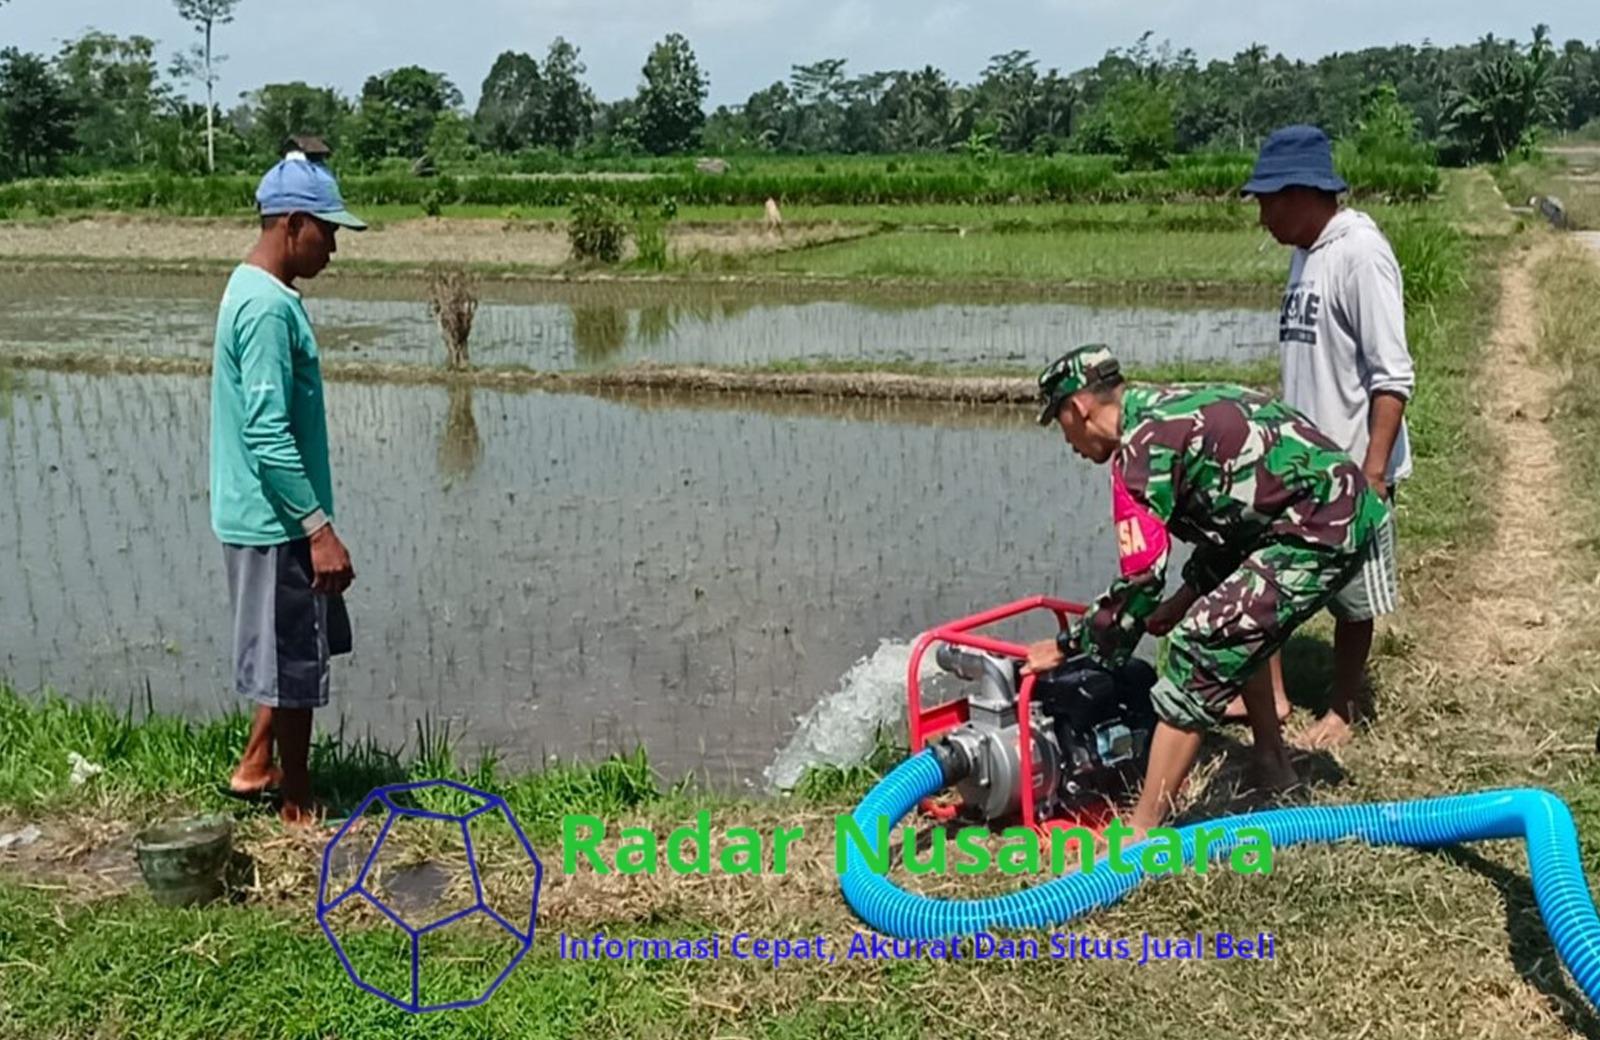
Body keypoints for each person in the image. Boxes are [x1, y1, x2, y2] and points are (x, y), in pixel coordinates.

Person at [1021, 345, 1386, 835]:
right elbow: (1232, 516)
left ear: (1077, 408)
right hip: (1327, 507)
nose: (1066, 439)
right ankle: (1274, 768)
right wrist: (1183, 598)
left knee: (1201, 642)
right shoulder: (1164, 409)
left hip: (1320, 525)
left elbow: (1140, 581)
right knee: (1230, 619)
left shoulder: (1139, 453)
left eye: (1059, 422)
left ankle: (1140, 834)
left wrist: (1068, 648)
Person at [1241, 125, 1416, 749]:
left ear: (1301, 192)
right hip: (1300, 460)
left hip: (1350, 464)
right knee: (1267, 579)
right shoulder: (1306, 252)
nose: (1261, 215)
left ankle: (1343, 706)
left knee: (1352, 597)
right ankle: (1276, 696)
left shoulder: (1359, 252)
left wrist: (1372, 474)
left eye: (1267, 200)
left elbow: (1392, 375)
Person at [210, 155, 367, 825]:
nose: (332, 246)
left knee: (289, 646)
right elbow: (268, 433)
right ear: (292, 223)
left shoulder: (254, 290)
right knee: (295, 662)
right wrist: (318, 529)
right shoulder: (268, 309)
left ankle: (254, 766)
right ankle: (297, 801)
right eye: (326, 231)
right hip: (277, 523)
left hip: (263, 514)